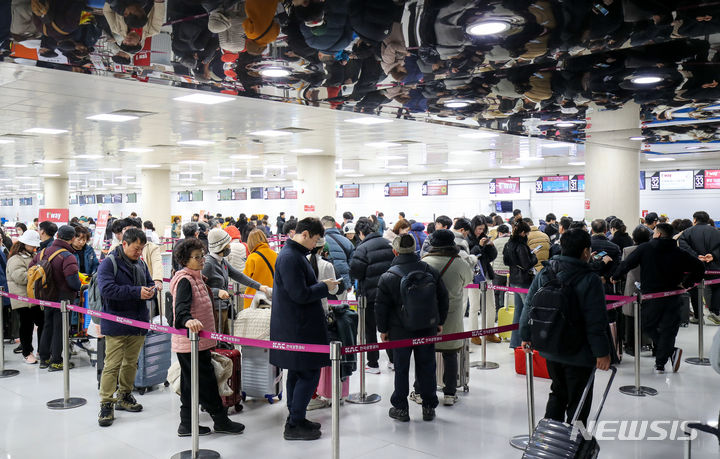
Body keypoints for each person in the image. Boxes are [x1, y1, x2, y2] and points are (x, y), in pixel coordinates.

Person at [519, 228, 612, 425]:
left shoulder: (546, 271)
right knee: (579, 400)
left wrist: (525, 335)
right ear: (586, 252)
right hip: (578, 352)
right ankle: (573, 444)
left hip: (549, 345)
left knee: (558, 392)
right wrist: (602, 352)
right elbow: (595, 320)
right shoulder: (589, 279)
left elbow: (530, 305)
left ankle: (550, 441)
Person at [269, 217, 340, 441]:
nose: (316, 244)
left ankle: (296, 417)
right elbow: (299, 294)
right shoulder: (291, 257)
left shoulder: (294, 255)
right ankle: (294, 423)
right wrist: (324, 287)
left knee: (298, 373)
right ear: (306, 234)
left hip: (296, 325)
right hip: (298, 326)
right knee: (308, 373)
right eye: (316, 239)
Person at [170, 238, 245, 436]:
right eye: (197, 257)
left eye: (202, 255)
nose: (202, 259)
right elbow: (181, 311)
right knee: (207, 382)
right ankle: (220, 420)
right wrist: (187, 321)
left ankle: (186, 424)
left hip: (198, 342)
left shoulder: (197, 278)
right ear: (185, 260)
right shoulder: (185, 280)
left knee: (189, 384)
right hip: (191, 343)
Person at [375, 233, 449, 422]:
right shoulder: (430, 270)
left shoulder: (388, 276)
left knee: (401, 368)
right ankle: (428, 406)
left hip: (400, 330)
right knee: (427, 366)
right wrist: (439, 321)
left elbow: (381, 306)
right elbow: (443, 297)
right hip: (427, 327)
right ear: (415, 249)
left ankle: (401, 408)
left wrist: (383, 329)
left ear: (395, 251)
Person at [613, 223, 705, 373]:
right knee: (669, 330)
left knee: (647, 326)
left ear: (658, 234)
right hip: (674, 296)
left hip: (651, 296)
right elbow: (700, 267)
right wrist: (686, 283)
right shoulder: (679, 252)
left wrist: (615, 276)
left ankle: (670, 352)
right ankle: (661, 363)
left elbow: (627, 264)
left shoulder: (645, 248)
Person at [97, 228, 154, 427]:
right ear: (125, 244)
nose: (139, 252)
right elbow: (106, 289)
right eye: (136, 248)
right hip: (116, 322)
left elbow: (148, 282)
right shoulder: (108, 263)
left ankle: (125, 395)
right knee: (112, 365)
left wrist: (150, 290)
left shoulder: (141, 263)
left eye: (142, 249)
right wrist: (137, 292)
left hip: (138, 322)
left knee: (131, 363)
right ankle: (106, 403)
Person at [421, 229, 472, 406]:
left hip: (428, 314)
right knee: (450, 355)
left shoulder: (425, 261)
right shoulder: (459, 263)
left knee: (426, 355)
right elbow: (468, 281)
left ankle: (421, 390)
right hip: (453, 313)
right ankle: (449, 393)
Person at [30, 225, 80, 371]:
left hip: (46, 296)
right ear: (72, 238)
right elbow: (73, 281)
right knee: (60, 329)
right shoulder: (67, 256)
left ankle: (44, 359)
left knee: (47, 325)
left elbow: (31, 268)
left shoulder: (43, 252)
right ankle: (56, 361)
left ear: (57, 235)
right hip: (63, 298)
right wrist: (79, 286)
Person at [350, 217, 396, 373]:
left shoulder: (362, 249)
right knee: (388, 328)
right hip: (388, 294)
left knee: (370, 330)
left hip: (369, 296)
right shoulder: (388, 244)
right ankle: (393, 360)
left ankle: (373, 363)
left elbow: (356, 272)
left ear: (361, 232)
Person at [204, 228, 270, 333]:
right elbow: (198, 287)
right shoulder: (208, 264)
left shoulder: (222, 261)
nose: (229, 247)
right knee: (216, 343)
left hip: (223, 308)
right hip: (213, 311)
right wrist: (217, 292)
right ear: (219, 247)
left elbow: (238, 275)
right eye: (227, 244)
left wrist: (259, 286)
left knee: (224, 343)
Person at [6, 230, 43, 364]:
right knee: (26, 326)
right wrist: (38, 273)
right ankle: (27, 352)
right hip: (22, 299)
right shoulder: (15, 259)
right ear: (24, 244)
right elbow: (20, 277)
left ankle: (41, 349)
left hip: (34, 298)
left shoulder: (33, 255)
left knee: (42, 322)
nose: (35, 247)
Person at [678, 211, 720, 325]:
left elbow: (682, 245)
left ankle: (697, 316)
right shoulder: (716, 232)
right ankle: (715, 313)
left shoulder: (687, 232)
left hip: (694, 266)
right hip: (714, 265)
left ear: (695, 220)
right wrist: (713, 255)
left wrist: (696, 256)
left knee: (694, 290)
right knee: (717, 288)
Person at [618, 226, 652, 355]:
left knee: (630, 316)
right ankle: (648, 342)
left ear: (634, 238)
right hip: (649, 284)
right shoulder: (652, 249)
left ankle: (630, 345)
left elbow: (624, 267)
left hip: (632, 284)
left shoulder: (627, 250)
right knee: (648, 314)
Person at [504, 220, 538, 349]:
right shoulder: (521, 246)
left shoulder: (509, 244)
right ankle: (527, 341)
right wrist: (534, 256)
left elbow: (506, 261)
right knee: (527, 311)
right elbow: (527, 264)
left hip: (513, 280)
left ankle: (515, 342)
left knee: (518, 311)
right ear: (523, 233)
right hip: (524, 281)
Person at [468, 215, 500, 344]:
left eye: (482, 229)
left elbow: (492, 257)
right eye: (478, 228)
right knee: (475, 306)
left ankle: (490, 332)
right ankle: (474, 334)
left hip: (486, 275)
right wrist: (480, 246)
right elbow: (470, 256)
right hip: (473, 277)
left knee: (491, 305)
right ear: (473, 227)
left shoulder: (484, 237)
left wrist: (491, 246)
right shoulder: (467, 239)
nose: (480, 231)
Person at [242, 229, 277, 309]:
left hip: (254, 298)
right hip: (271, 295)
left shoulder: (252, 257)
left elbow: (245, 278)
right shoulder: (275, 254)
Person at [321, 216, 354, 300]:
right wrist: (350, 283)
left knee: (325, 309)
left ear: (323, 225)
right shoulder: (347, 242)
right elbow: (353, 264)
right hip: (343, 283)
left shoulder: (319, 241)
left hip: (323, 283)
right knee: (342, 310)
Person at [490, 224, 511, 311]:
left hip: (497, 271)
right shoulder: (512, 241)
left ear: (499, 233)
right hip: (509, 271)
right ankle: (506, 310)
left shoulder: (495, 242)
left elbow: (492, 257)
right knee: (508, 292)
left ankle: (497, 311)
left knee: (496, 292)